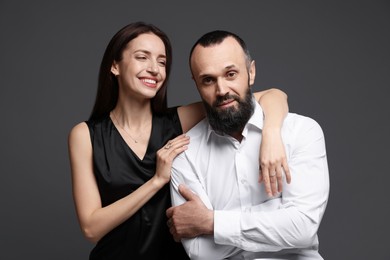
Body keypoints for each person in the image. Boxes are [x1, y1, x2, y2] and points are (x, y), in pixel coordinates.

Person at [68, 22, 290, 260]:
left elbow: (273, 95)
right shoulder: (85, 135)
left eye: (162, 61)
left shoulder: (178, 121)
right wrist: (156, 181)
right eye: (142, 57)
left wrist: (271, 134)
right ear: (115, 65)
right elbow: (91, 228)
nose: (154, 68)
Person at [167, 30, 330, 259]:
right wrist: (280, 213)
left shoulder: (301, 132)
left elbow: (302, 228)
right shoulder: (185, 153)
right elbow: (200, 252)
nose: (222, 90)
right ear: (196, 84)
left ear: (250, 72)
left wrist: (211, 221)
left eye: (231, 74)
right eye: (208, 80)